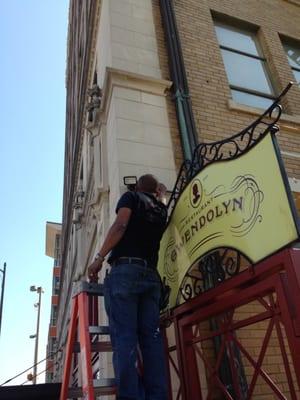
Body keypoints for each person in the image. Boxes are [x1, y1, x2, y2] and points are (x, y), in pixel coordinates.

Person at [88, 174, 168, 400]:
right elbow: (162, 201)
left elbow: (121, 224)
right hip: (151, 278)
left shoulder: (130, 197)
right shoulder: (161, 210)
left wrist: (98, 258)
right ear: (154, 192)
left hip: (126, 273)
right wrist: (160, 195)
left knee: (125, 339)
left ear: (137, 187)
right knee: (151, 341)